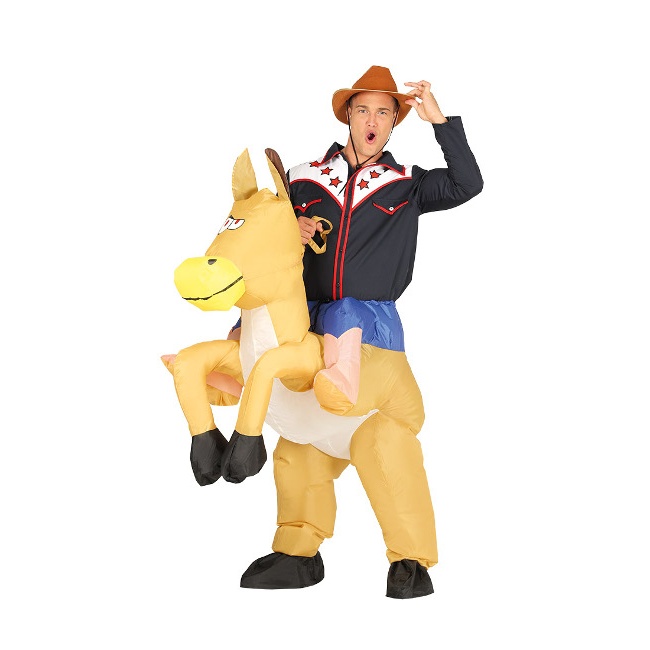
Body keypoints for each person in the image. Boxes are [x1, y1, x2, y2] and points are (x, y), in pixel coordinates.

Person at [235, 65, 483, 598]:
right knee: (299, 448)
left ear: (395, 122)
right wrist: (292, 228)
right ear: (348, 115)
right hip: (307, 323)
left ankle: (410, 560)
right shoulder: (303, 178)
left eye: (384, 113)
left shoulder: (409, 183)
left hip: (372, 331)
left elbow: (468, 183)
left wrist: (440, 122)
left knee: (384, 448)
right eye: (363, 109)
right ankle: (296, 552)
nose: (372, 120)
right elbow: (265, 245)